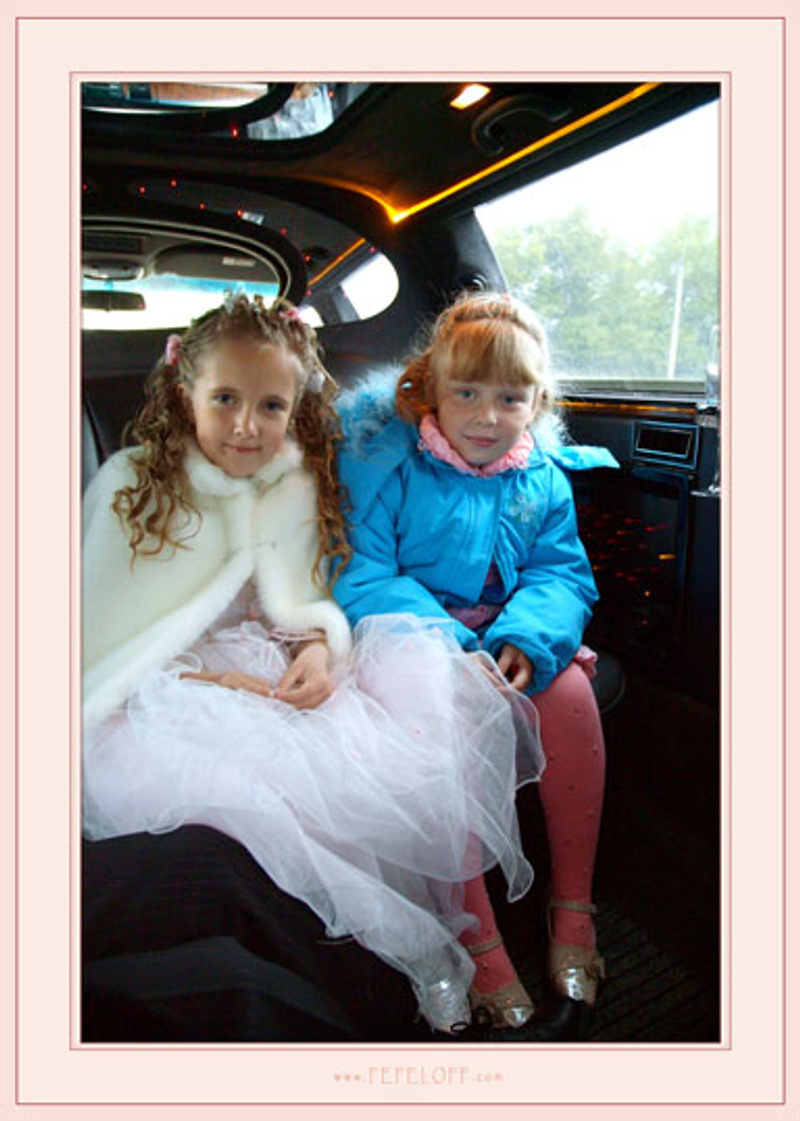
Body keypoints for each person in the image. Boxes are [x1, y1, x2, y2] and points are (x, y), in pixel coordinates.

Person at [81, 292, 544, 1037]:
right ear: (184, 391)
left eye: (271, 406)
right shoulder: (133, 484)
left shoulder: (293, 482)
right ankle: (330, 969)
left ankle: (393, 963)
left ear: (293, 408)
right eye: (225, 399)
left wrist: (317, 650)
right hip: (160, 695)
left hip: (265, 664)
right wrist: (213, 681)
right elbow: (106, 637)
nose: (246, 426)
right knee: (258, 793)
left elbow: (304, 599)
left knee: (367, 760)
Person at [333, 291, 617, 1033]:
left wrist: (525, 640)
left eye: (510, 398)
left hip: (508, 637)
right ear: (430, 391)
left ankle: (573, 905)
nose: (488, 416)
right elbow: (364, 573)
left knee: (571, 695)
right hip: (412, 637)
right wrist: (454, 649)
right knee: (436, 717)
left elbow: (559, 574)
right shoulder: (388, 467)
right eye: (467, 394)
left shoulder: (542, 476)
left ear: (536, 402)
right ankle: (476, 932)